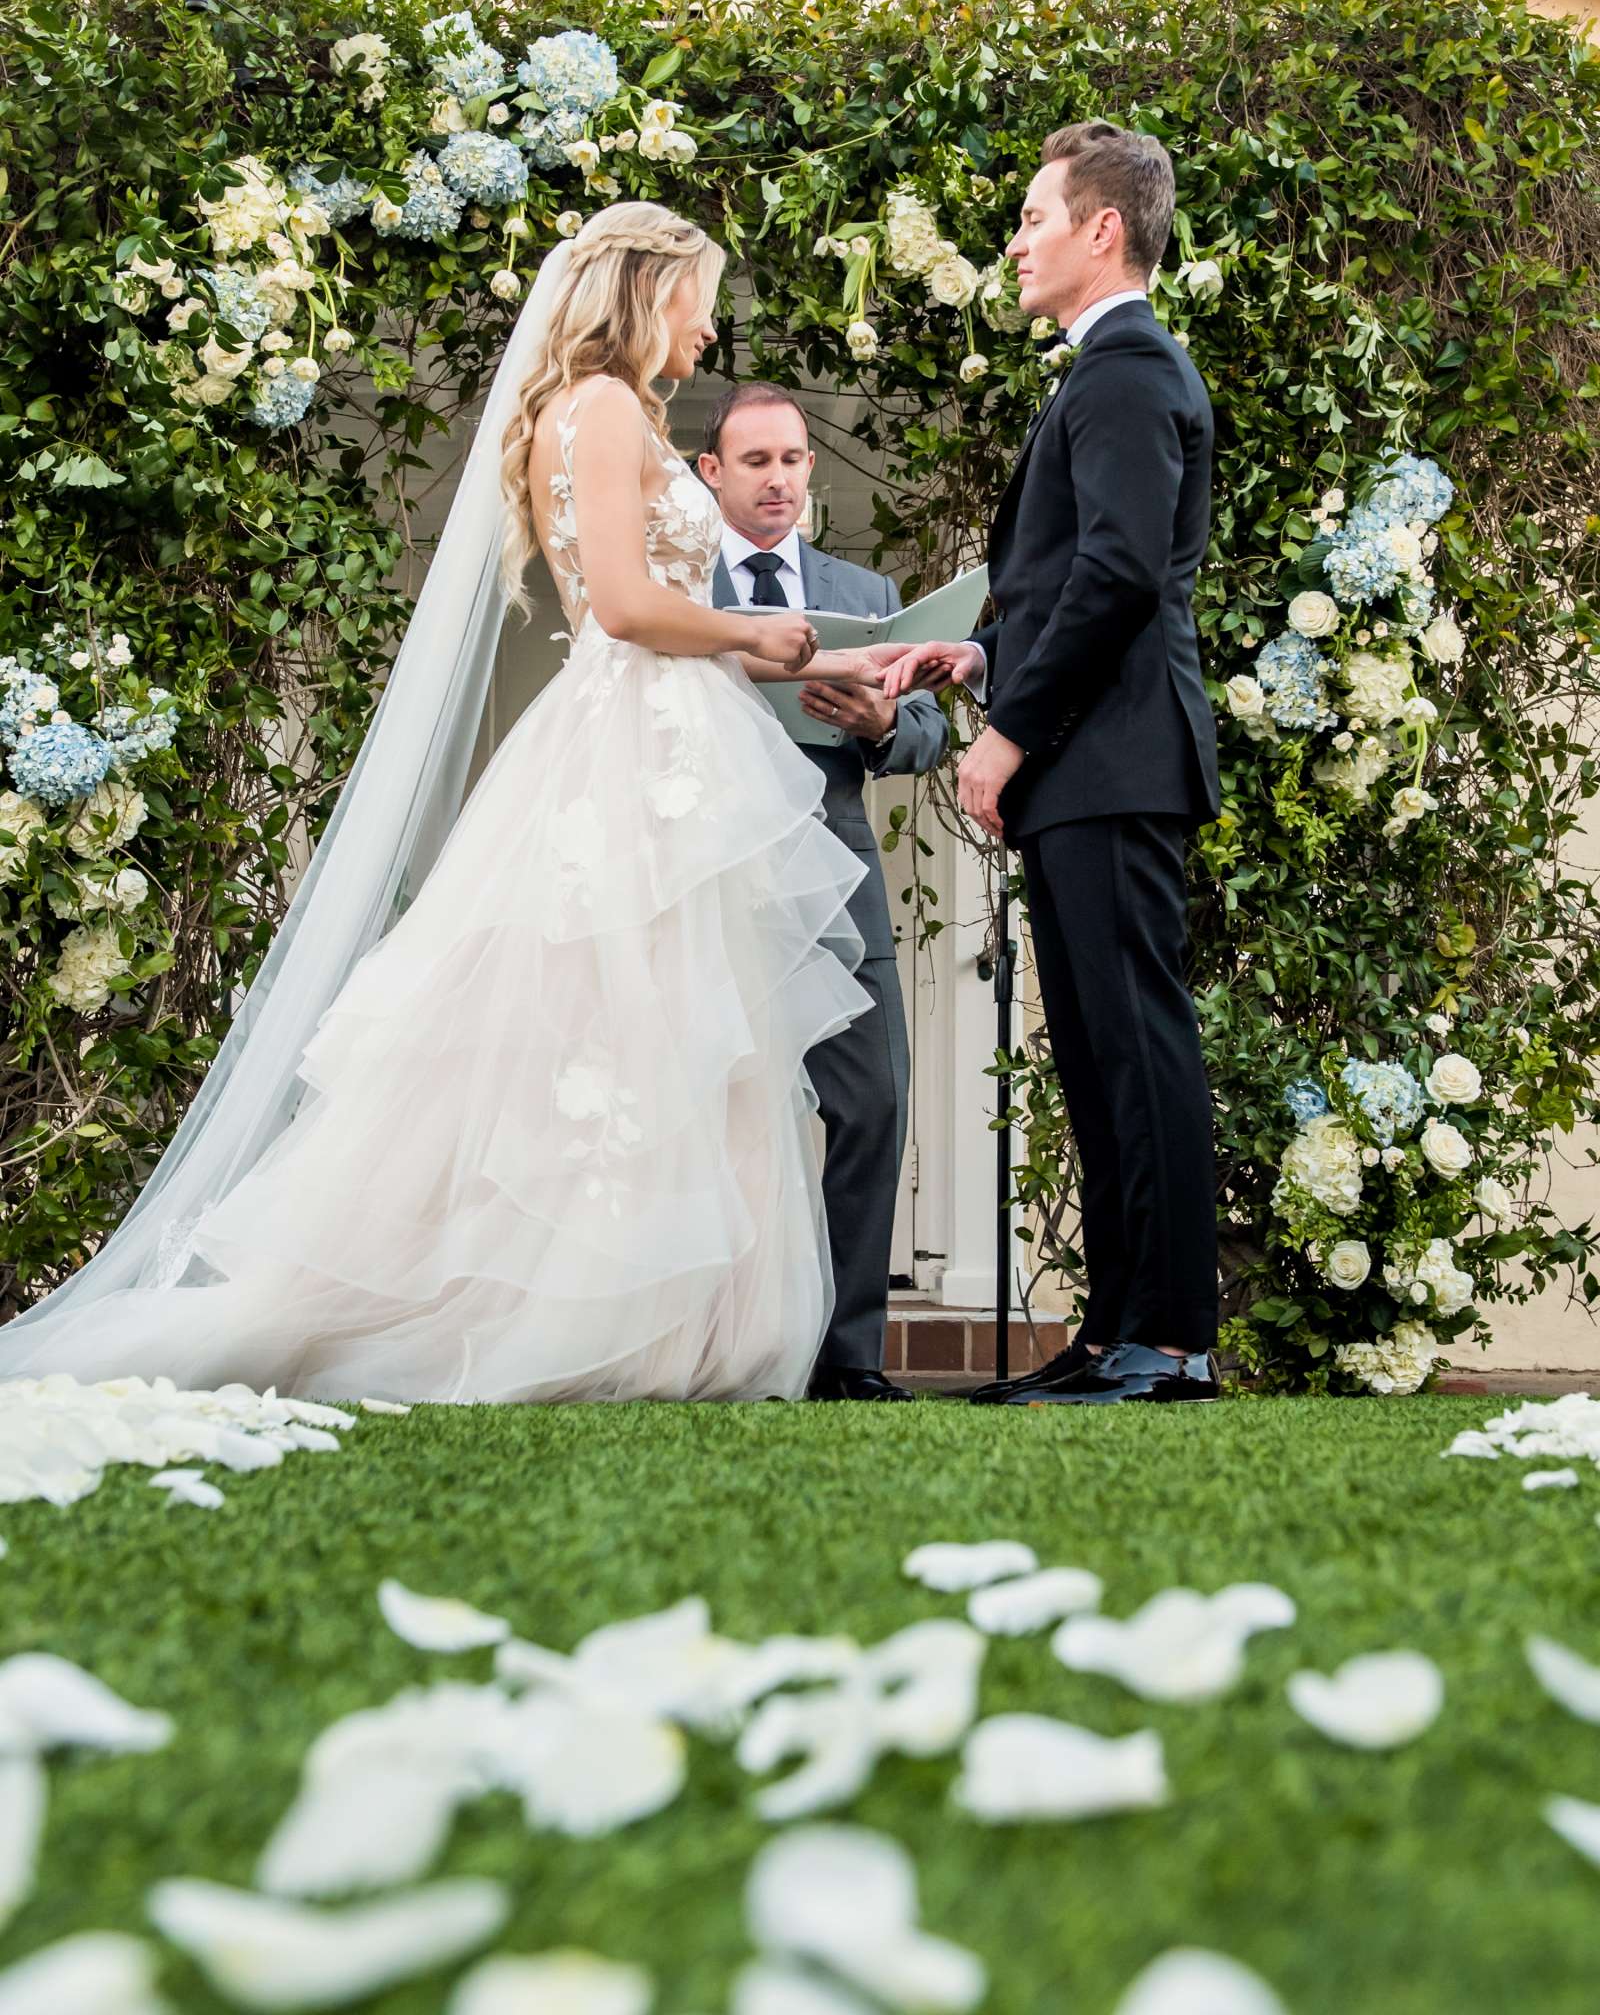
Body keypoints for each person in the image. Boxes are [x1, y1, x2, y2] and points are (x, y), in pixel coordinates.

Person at [0, 203, 890, 1404]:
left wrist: (840, 663)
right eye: (699, 298)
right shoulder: (610, 407)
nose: (708, 324)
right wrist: (756, 630)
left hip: (664, 732)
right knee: (630, 1029)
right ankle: (604, 1322)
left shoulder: (583, 411)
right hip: (640, 748)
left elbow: (664, 620)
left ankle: (672, 1323)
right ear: (647, 292)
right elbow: (626, 609)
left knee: (663, 1032)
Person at [876, 121, 1223, 1408]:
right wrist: (978, 660)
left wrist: (1011, 733)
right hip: (1094, 760)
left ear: (1102, 230)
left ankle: (1170, 1341)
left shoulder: (1128, 369)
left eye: (1031, 215)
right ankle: (1119, 1330)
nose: (1012, 240)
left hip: (1110, 761)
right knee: (1092, 1048)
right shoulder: (1102, 371)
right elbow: (1071, 572)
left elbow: (1123, 573)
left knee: (1135, 1044)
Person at [700, 383, 948, 1402]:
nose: (777, 479)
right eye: (754, 461)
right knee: (706, 1114)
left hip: (833, 885)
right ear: (710, 473)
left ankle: (846, 1358)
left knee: (874, 1101)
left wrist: (874, 723)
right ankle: (713, 1344)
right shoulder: (672, 584)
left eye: (793, 460)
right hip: (705, 884)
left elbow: (927, 733)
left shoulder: (869, 593)